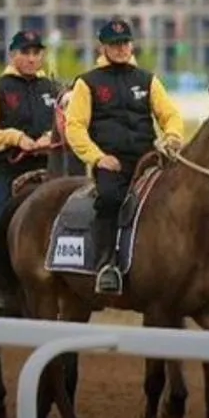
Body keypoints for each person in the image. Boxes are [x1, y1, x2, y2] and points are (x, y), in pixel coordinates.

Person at [63, 18, 185, 295]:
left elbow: (170, 115)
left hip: (148, 159)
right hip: (111, 162)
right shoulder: (87, 83)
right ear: (103, 47)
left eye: (125, 43)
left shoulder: (147, 79)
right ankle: (107, 265)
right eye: (115, 44)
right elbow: (75, 126)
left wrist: (173, 137)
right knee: (111, 200)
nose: (121, 49)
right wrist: (97, 158)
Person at [0, 29, 60, 315]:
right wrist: (14, 137)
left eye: (37, 53)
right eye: (26, 52)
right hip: (9, 171)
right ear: (13, 55)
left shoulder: (52, 88)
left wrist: (52, 136)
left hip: (49, 169)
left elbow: (68, 124)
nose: (32, 58)